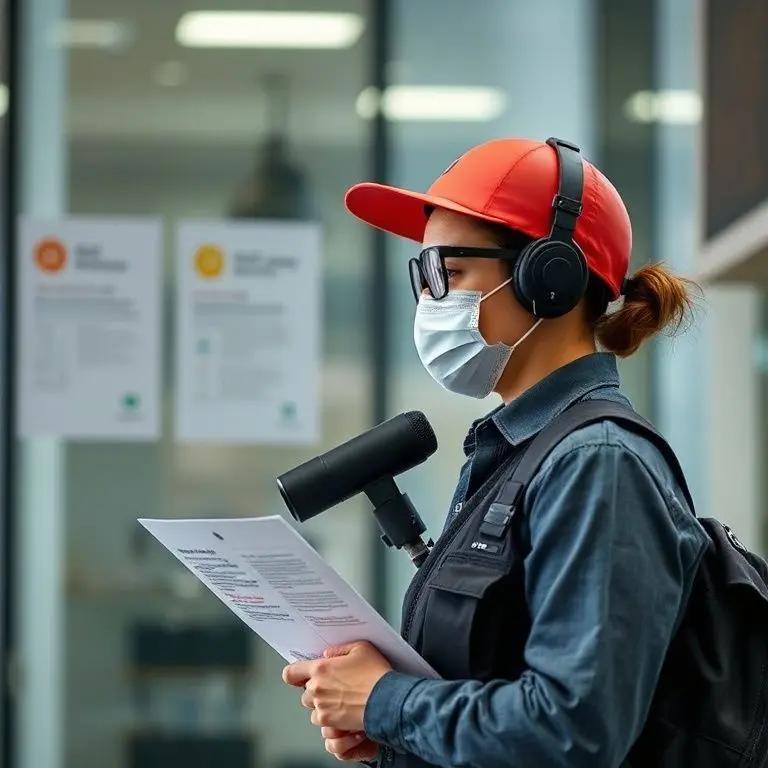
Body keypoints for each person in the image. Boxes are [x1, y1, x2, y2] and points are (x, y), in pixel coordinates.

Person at [281, 136, 710, 767]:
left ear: (550, 278)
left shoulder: (598, 463)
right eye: (421, 275)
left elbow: (574, 733)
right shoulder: (517, 452)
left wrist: (385, 702)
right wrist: (396, 733)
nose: (429, 300)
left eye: (450, 273)